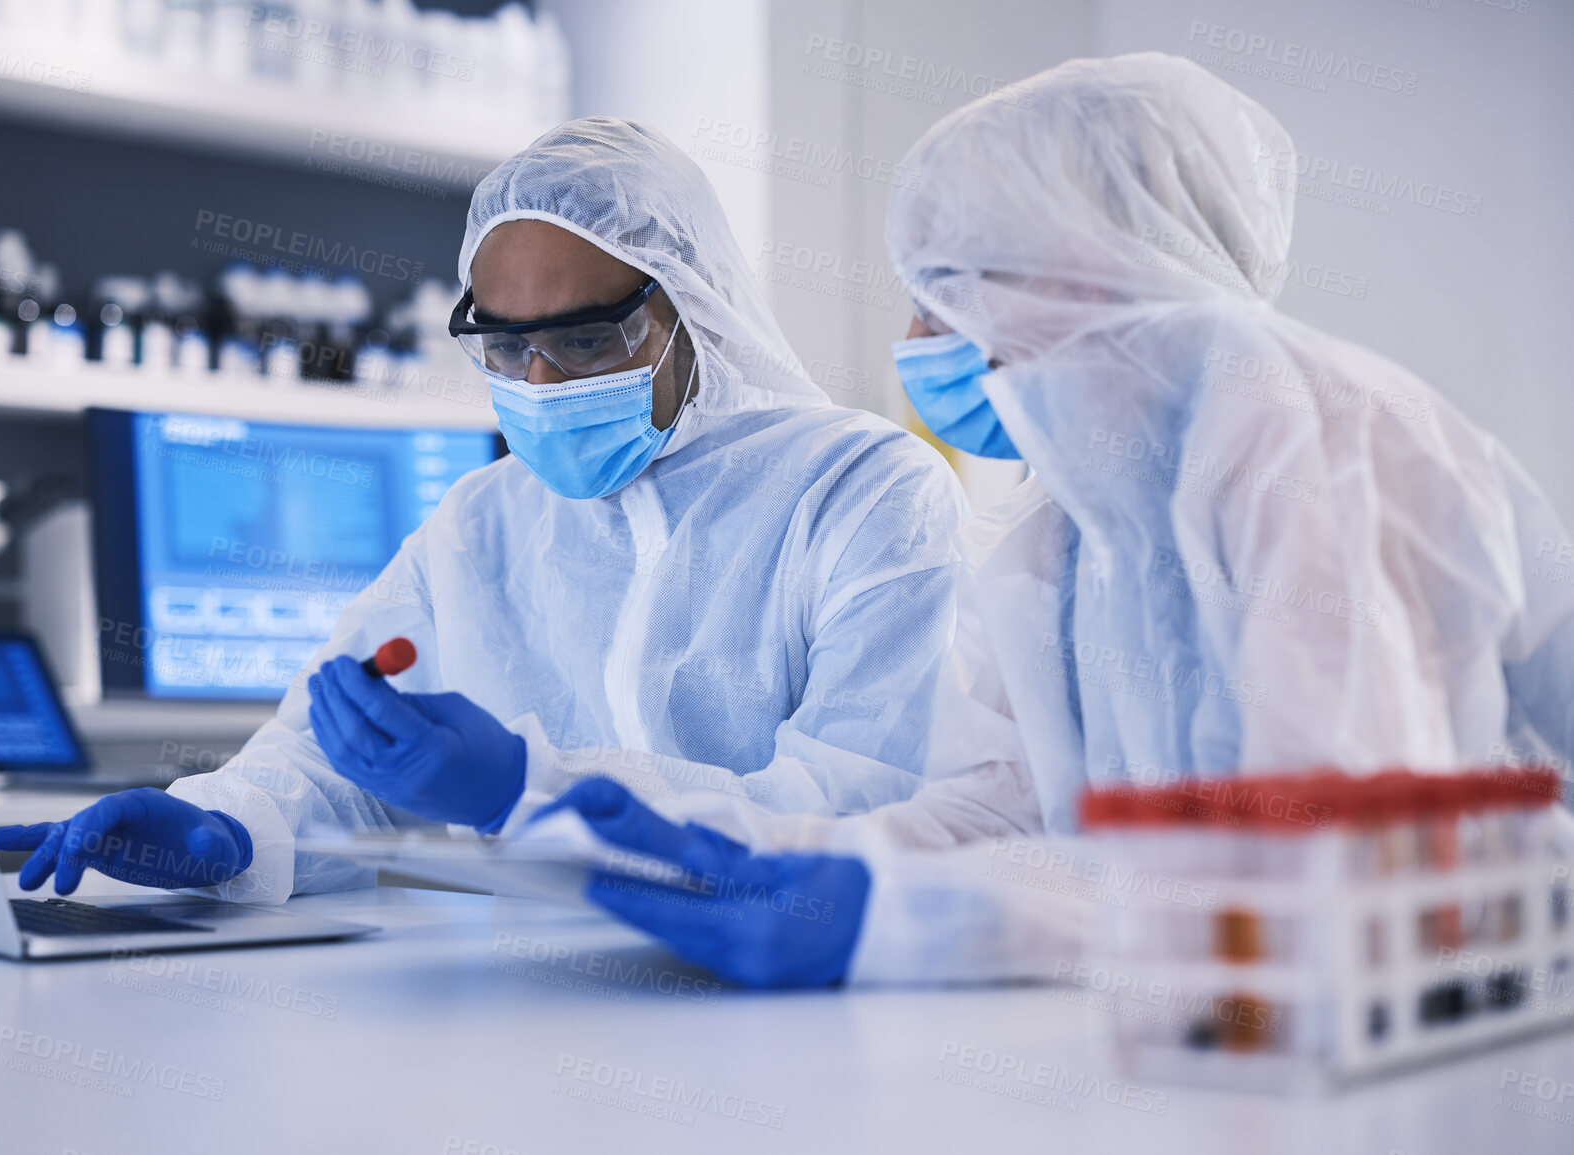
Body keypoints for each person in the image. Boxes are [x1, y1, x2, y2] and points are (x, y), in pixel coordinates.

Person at [533, 53, 1574, 987]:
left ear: (1098, 265)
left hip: (1479, 1007)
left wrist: (899, 926)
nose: (914, 340)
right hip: (1231, 1026)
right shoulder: (1067, 534)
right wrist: (767, 854)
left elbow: (1330, 861)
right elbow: (1012, 812)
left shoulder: (1310, 442)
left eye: (946, 291)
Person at [0, 118, 978, 901]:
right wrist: (232, 825)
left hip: (783, 1011)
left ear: (694, 308)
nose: (540, 381)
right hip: (522, 1008)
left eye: (585, 341)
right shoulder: (479, 522)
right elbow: (327, 761)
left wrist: (526, 789)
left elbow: (855, 804)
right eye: (505, 348)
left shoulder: (863, 492)